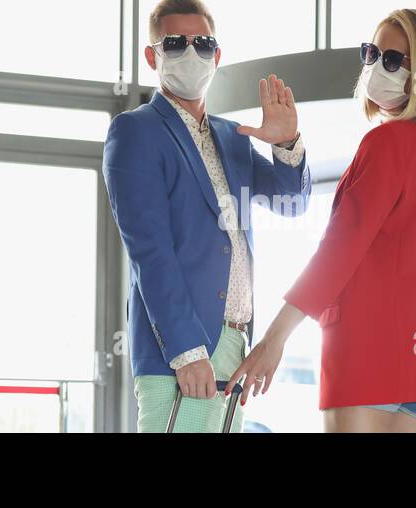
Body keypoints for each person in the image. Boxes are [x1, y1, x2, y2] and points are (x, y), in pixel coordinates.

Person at [226, 8, 416, 433]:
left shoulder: (385, 143)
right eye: (372, 53)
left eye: (392, 60)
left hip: (370, 355)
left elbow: (339, 251)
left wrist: (274, 338)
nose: (376, 66)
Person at [102, 0, 312, 432]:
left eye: (203, 44)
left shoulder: (232, 137)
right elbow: (150, 251)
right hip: (182, 352)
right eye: (175, 43)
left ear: (217, 56)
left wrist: (286, 142)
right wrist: (187, 351)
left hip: (235, 346)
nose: (191, 53)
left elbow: (292, 200)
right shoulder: (136, 131)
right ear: (152, 56)